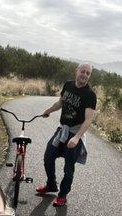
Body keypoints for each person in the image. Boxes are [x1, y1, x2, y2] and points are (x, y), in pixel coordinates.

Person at [36, 63, 97, 207]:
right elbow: (61, 103)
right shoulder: (68, 85)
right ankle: (51, 185)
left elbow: (88, 119)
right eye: (83, 71)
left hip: (75, 133)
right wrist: (49, 110)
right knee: (48, 156)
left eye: (88, 73)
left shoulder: (90, 95)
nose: (85, 75)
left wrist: (77, 137)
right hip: (62, 129)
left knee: (68, 168)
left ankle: (62, 195)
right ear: (76, 71)